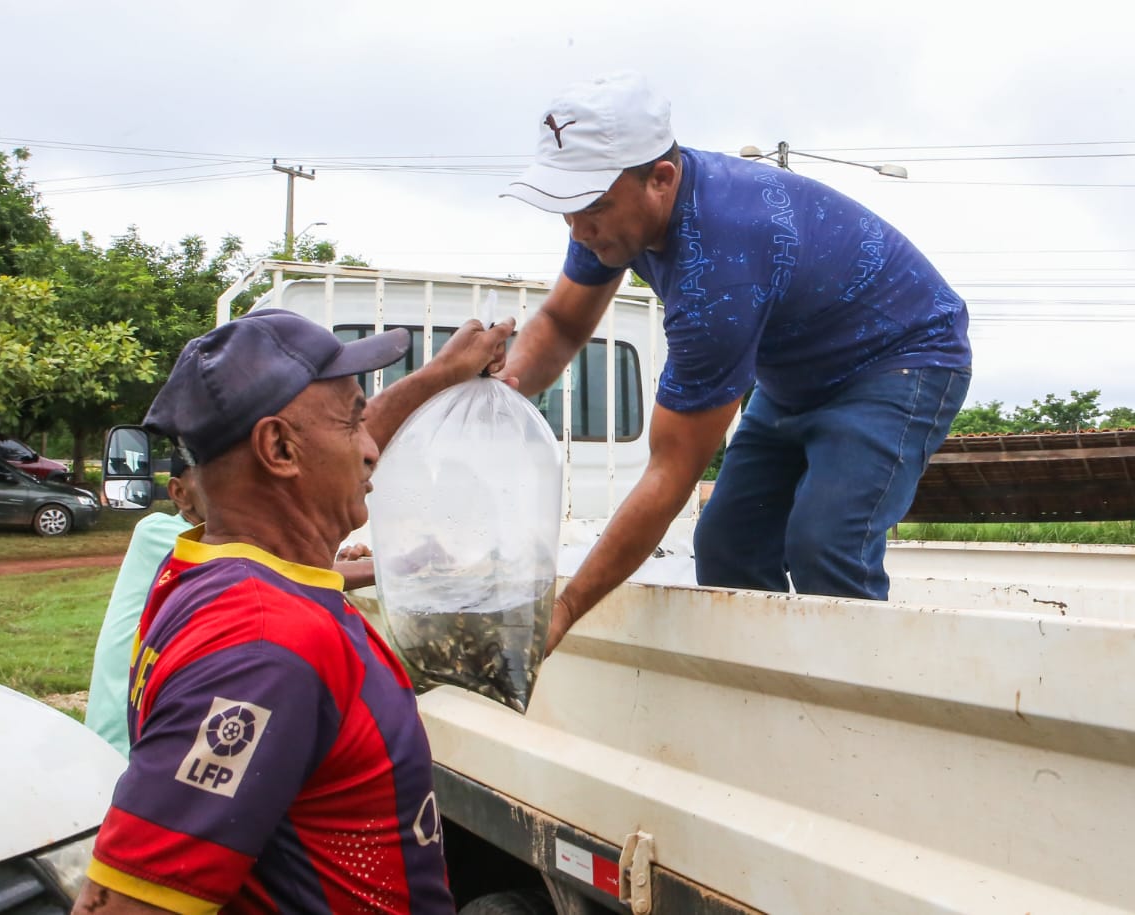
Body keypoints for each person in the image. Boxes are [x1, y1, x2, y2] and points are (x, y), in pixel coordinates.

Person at [499, 71, 971, 652]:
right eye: (564, 206)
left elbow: (671, 471)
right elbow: (563, 322)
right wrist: (500, 388)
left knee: (826, 545)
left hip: (900, 357)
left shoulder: (718, 267)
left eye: (590, 206)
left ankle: (861, 724)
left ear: (660, 178)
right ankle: (775, 701)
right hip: (794, 374)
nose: (575, 227)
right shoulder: (612, 216)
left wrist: (566, 608)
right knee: (729, 546)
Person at [72, 309, 511, 915]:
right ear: (277, 448)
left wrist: (438, 376)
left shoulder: (219, 566)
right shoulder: (264, 646)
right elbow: (124, 905)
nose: (371, 448)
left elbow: (311, 458)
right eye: (354, 421)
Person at [84, 453, 374, 757]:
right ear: (179, 493)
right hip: (122, 739)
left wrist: (334, 561)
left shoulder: (224, 546)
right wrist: (386, 569)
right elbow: (277, 571)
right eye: (216, 474)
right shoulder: (159, 532)